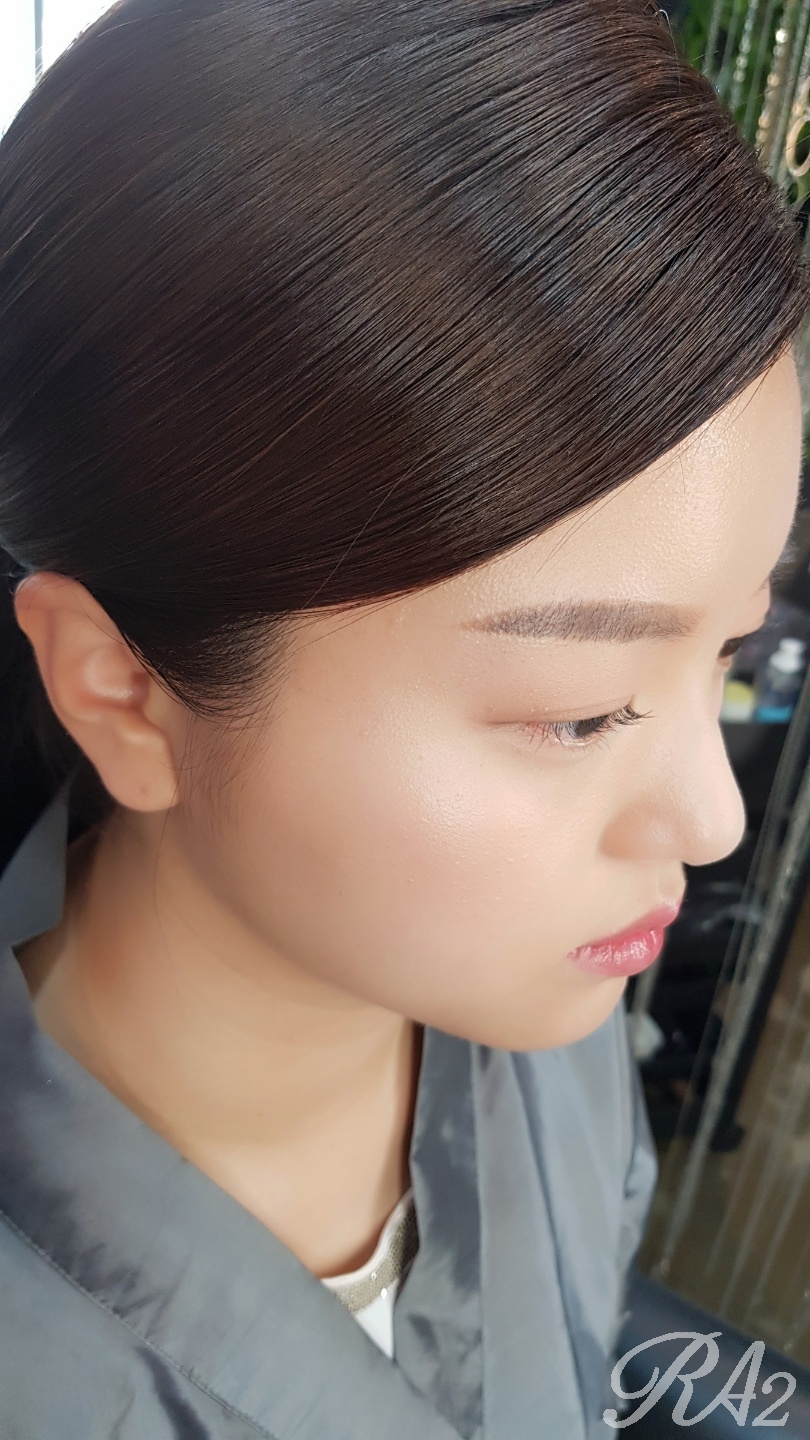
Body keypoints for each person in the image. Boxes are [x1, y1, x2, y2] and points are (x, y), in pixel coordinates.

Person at [0, 1, 806, 1436]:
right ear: (121, 688)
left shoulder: (539, 1011)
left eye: (728, 648)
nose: (712, 820)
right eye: (581, 715)